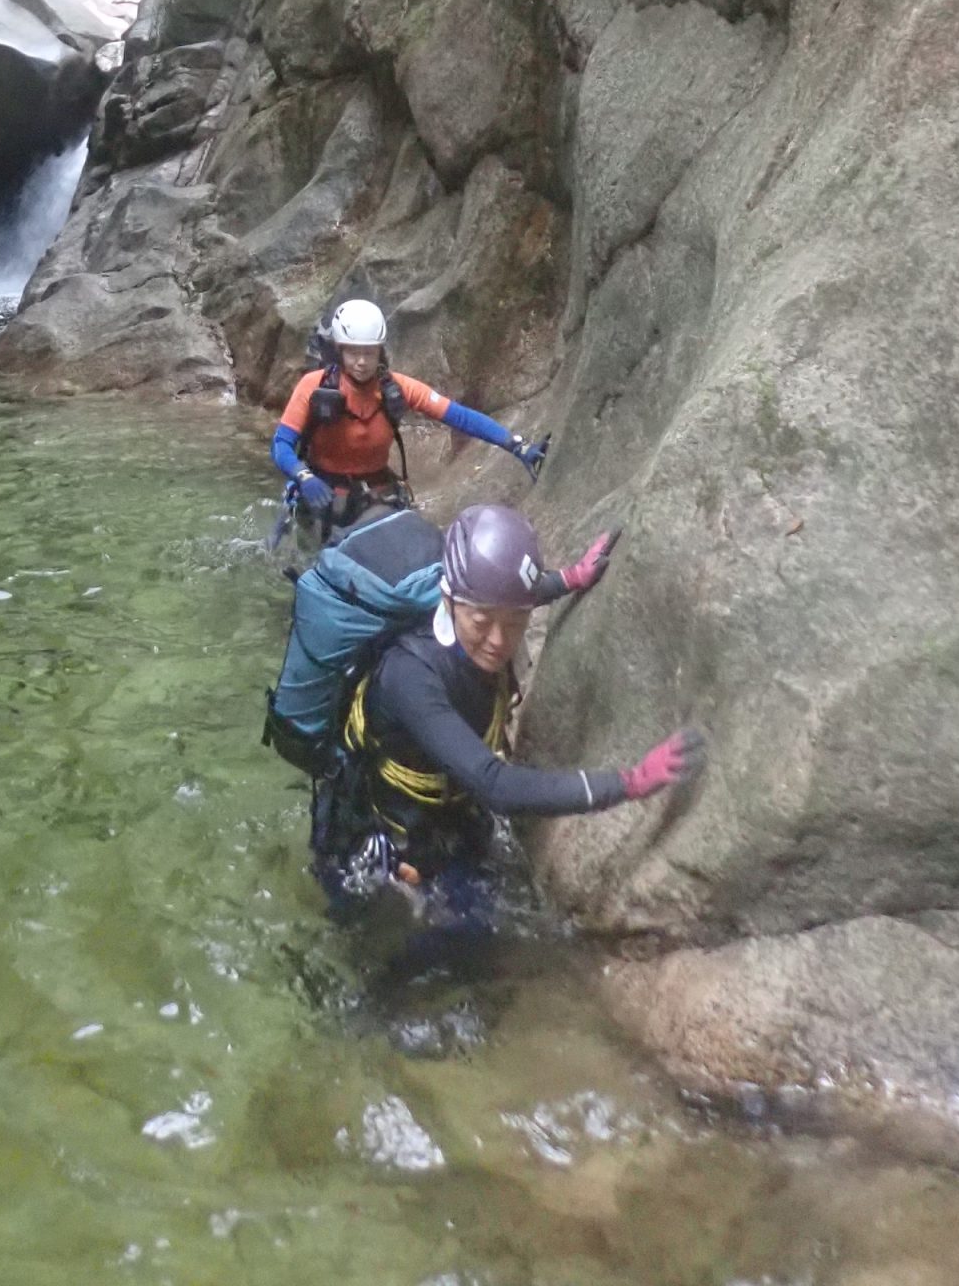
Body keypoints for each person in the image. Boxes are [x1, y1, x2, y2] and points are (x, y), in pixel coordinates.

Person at [308, 501, 706, 913]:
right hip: (379, 837)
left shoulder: (480, 607)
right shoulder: (409, 676)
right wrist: (629, 783)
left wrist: (571, 578)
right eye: (482, 623)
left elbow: (510, 600)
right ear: (449, 601)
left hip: (450, 817)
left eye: (514, 624)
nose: (499, 640)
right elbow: (495, 785)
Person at [269, 297, 545, 538]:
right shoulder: (312, 386)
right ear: (339, 350)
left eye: (369, 352)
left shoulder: (397, 389)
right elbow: (281, 444)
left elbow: (459, 417)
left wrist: (516, 446)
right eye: (354, 352)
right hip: (320, 493)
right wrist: (303, 476)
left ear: (380, 351)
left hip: (375, 496)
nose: (362, 362)